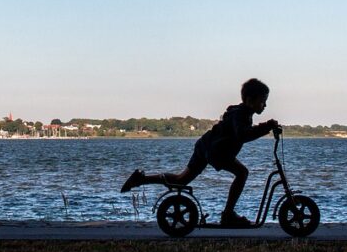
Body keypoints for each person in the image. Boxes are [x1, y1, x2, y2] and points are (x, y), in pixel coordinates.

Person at [119, 78, 278, 227]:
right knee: (242, 173)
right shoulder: (240, 114)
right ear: (250, 100)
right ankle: (228, 214)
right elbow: (243, 135)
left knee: (181, 180)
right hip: (215, 150)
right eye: (262, 101)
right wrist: (266, 128)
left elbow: (244, 132)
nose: (265, 105)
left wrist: (265, 127)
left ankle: (141, 179)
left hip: (205, 145)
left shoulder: (243, 113)